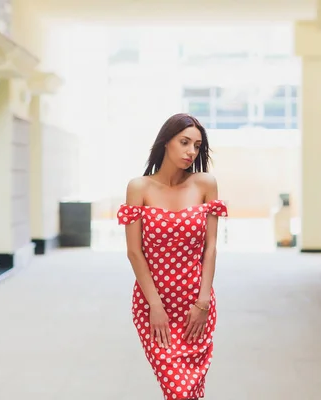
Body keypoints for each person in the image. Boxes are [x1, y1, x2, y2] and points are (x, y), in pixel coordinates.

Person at [117, 113, 228, 400]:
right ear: (166, 142)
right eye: (184, 142)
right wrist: (155, 305)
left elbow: (211, 247)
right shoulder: (139, 187)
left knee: (189, 390)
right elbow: (134, 252)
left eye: (197, 146)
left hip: (196, 305)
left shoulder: (205, 184)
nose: (191, 151)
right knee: (178, 389)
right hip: (154, 305)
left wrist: (203, 302)